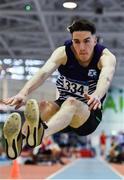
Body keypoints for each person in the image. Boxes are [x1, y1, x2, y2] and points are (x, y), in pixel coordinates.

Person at [2, 18, 116, 159]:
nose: (81, 47)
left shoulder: (105, 57)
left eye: (86, 41)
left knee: (71, 102)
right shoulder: (63, 53)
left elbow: (106, 78)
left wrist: (97, 95)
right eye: (76, 41)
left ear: (95, 40)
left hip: (88, 114)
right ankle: (20, 140)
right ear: (72, 40)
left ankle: (40, 135)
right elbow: (43, 73)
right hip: (61, 112)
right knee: (43, 105)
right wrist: (22, 93)